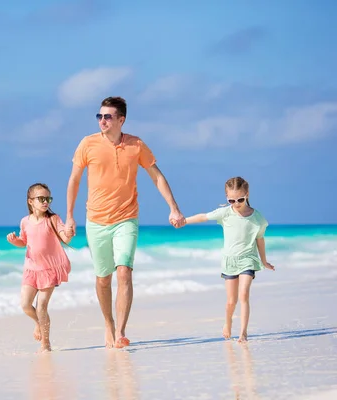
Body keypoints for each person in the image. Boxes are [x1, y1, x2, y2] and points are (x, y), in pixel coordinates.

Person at [65, 96, 185, 349]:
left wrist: (173, 208)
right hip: (96, 220)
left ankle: (120, 331)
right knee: (103, 278)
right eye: (99, 116)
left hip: (126, 218)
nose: (102, 121)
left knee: (124, 272)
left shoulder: (136, 145)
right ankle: (108, 324)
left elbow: (157, 177)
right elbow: (74, 180)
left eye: (108, 116)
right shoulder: (87, 144)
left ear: (121, 119)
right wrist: (69, 216)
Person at [184, 176, 275, 342]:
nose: (236, 203)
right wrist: (184, 221)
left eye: (240, 199)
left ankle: (243, 333)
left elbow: (260, 239)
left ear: (247, 194)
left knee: (244, 295)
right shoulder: (225, 213)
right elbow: (204, 217)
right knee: (231, 302)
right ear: (227, 198)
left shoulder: (258, 218)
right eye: (231, 200)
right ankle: (227, 323)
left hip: (248, 259)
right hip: (229, 262)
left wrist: (263, 260)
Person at [7, 182, 73, 353]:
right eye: (41, 199)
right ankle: (38, 322)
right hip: (30, 269)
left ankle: (46, 344)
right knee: (25, 304)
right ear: (30, 201)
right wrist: (16, 242)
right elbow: (24, 241)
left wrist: (69, 232)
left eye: (48, 199)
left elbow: (65, 238)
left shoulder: (52, 219)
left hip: (49, 269)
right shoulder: (24, 222)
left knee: (42, 305)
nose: (46, 202)